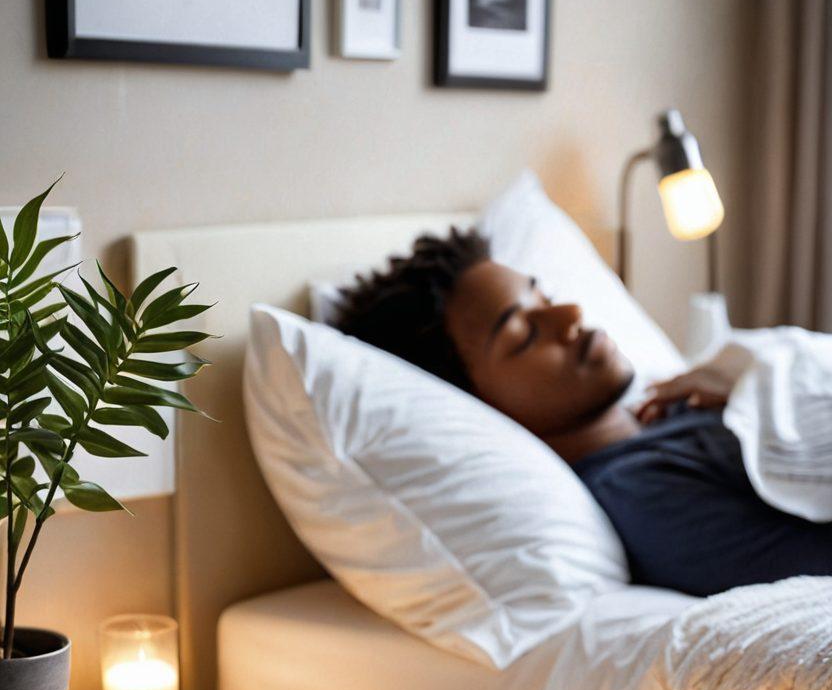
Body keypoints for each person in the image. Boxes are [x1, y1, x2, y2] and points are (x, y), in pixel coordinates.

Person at [335, 227, 832, 597]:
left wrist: (758, 384)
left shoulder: (687, 399)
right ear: (479, 406)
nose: (570, 314)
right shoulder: (642, 495)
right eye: (525, 334)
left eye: (544, 297)